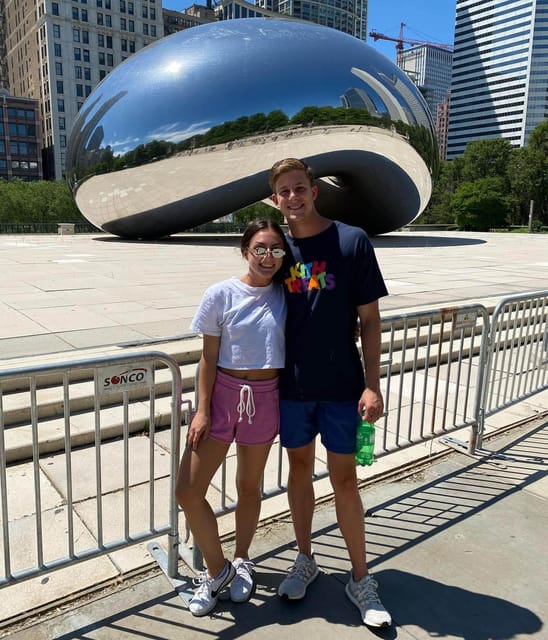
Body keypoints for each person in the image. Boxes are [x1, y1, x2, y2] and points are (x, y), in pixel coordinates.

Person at [268, 158, 392, 628]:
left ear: (315, 190)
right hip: (293, 386)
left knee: (345, 480)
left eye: (300, 188)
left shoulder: (351, 240)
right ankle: (305, 558)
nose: (293, 197)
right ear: (275, 199)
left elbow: (370, 320)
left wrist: (372, 385)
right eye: (284, 191)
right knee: (299, 472)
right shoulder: (277, 249)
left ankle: (360, 578)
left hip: (343, 386)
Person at [175, 219, 287, 617]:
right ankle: (217, 570)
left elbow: (327, 290)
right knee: (188, 491)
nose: (268, 257)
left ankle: (241, 559)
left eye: (276, 249)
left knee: (248, 486)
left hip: (266, 397)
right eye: (260, 249)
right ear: (245, 251)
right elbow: (208, 356)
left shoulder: (289, 292)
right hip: (223, 396)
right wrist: (202, 410)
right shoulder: (220, 294)